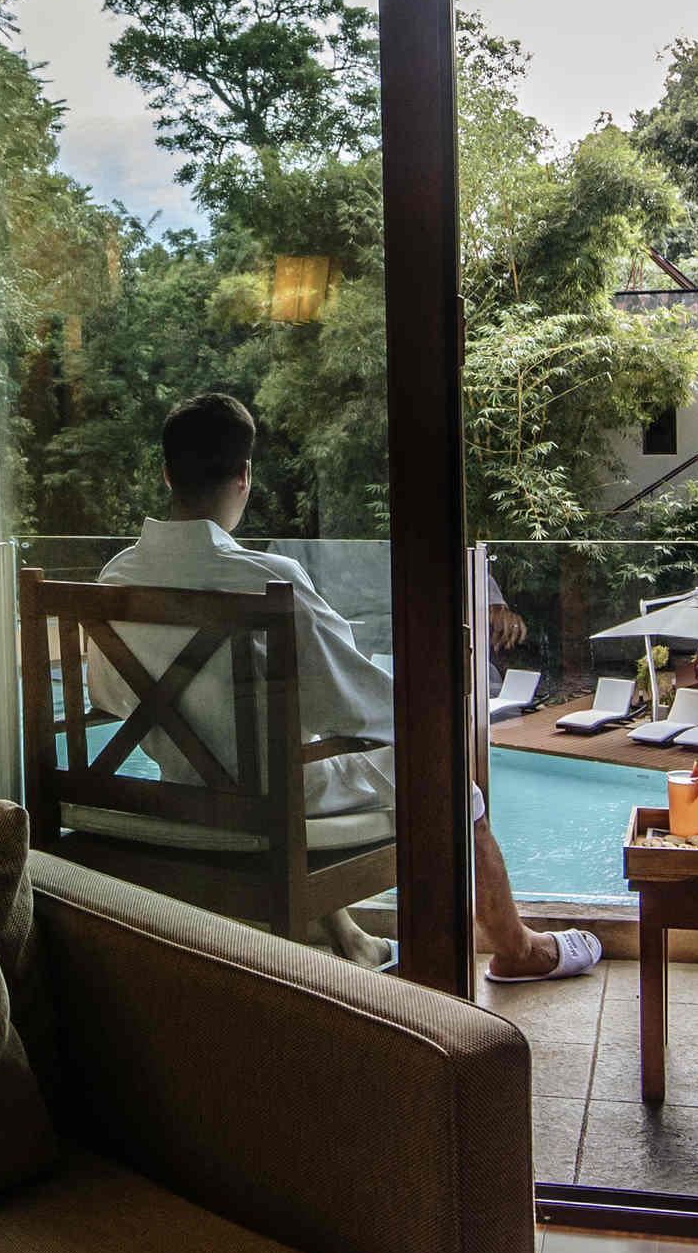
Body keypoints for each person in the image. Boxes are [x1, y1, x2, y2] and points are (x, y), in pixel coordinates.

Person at [91, 393, 603, 981]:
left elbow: (111, 697)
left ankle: (353, 940)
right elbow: (353, 703)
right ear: (245, 475)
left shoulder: (116, 577)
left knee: (289, 753)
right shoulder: (268, 580)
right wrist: (431, 708)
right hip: (275, 800)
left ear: (166, 474)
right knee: (449, 775)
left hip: (180, 788)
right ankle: (517, 949)